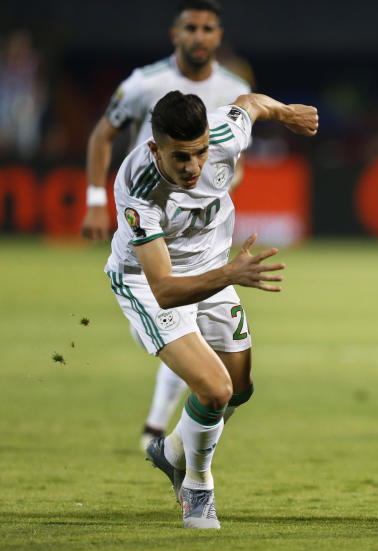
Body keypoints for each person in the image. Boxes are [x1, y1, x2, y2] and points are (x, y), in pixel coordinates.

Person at [106, 90, 317, 528]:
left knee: (239, 390)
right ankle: (196, 488)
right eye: (181, 157)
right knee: (215, 391)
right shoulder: (138, 186)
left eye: (200, 153)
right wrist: (232, 274)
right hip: (147, 283)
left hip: (214, 268)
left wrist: (286, 113)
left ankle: (173, 451)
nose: (194, 167)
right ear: (155, 149)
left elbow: (251, 103)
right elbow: (164, 288)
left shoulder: (224, 135)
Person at [82, 0, 251, 451]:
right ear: (175, 35)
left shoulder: (234, 87)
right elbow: (103, 134)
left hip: (199, 229)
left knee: (228, 376)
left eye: (208, 28)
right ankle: (161, 432)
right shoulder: (144, 83)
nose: (199, 36)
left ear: (218, 36)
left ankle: (167, 440)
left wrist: (221, 182)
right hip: (152, 219)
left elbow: (238, 145)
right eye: (190, 27)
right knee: (180, 324)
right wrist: (97, 200)